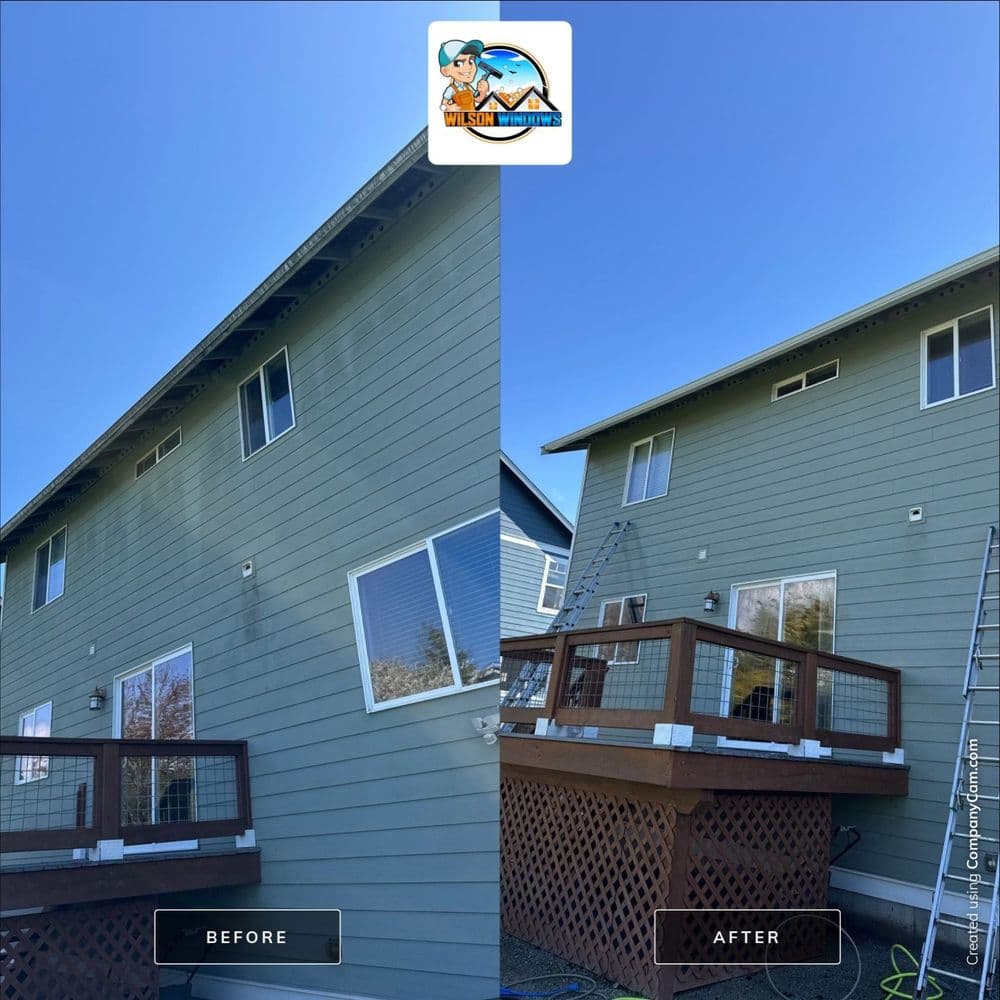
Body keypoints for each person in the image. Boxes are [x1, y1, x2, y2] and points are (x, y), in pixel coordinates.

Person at [438, 39, 489, 112]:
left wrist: (483, 92)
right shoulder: (451, 90)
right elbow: (443, 105)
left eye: (471, 60)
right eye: (459, 63)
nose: (469, 67)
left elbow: (478, 99)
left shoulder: (468, 87)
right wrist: (448, 108)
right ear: (445, 71)